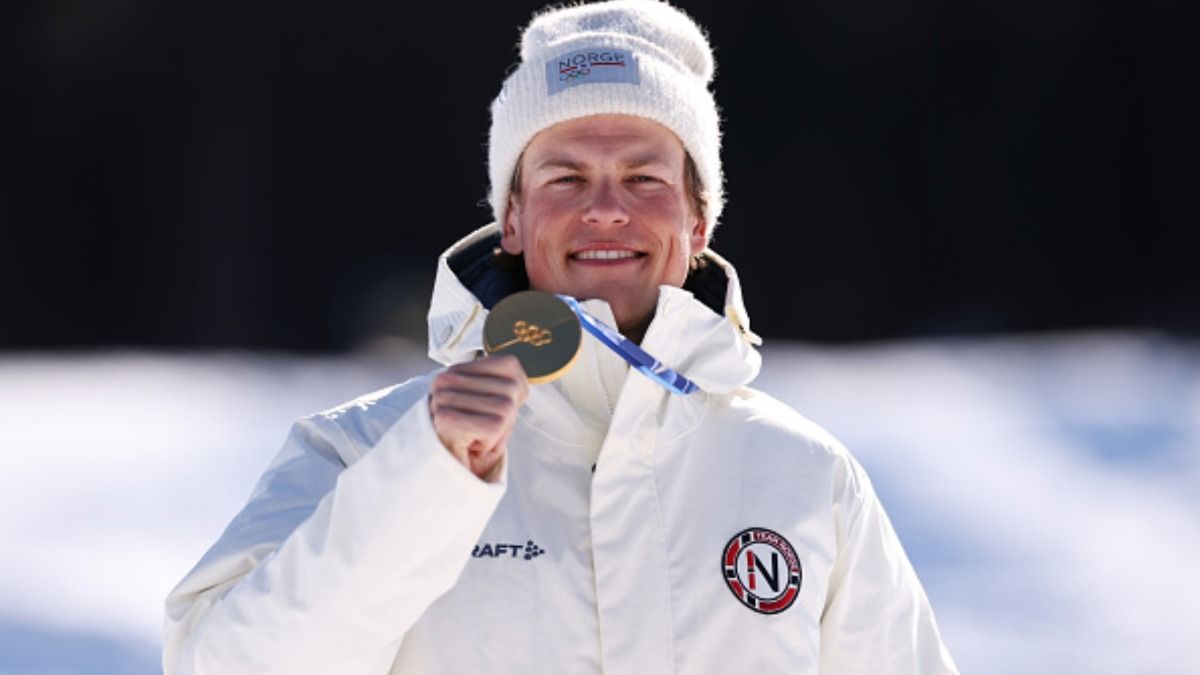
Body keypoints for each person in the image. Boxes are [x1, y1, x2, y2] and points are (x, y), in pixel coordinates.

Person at [163, 2, 959, 673]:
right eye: (566, 177)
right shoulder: (365, 450)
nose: (606, 209)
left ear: (698, 221)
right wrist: (428, 478)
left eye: (644, 178)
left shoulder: (806, 476)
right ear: (511, 217)